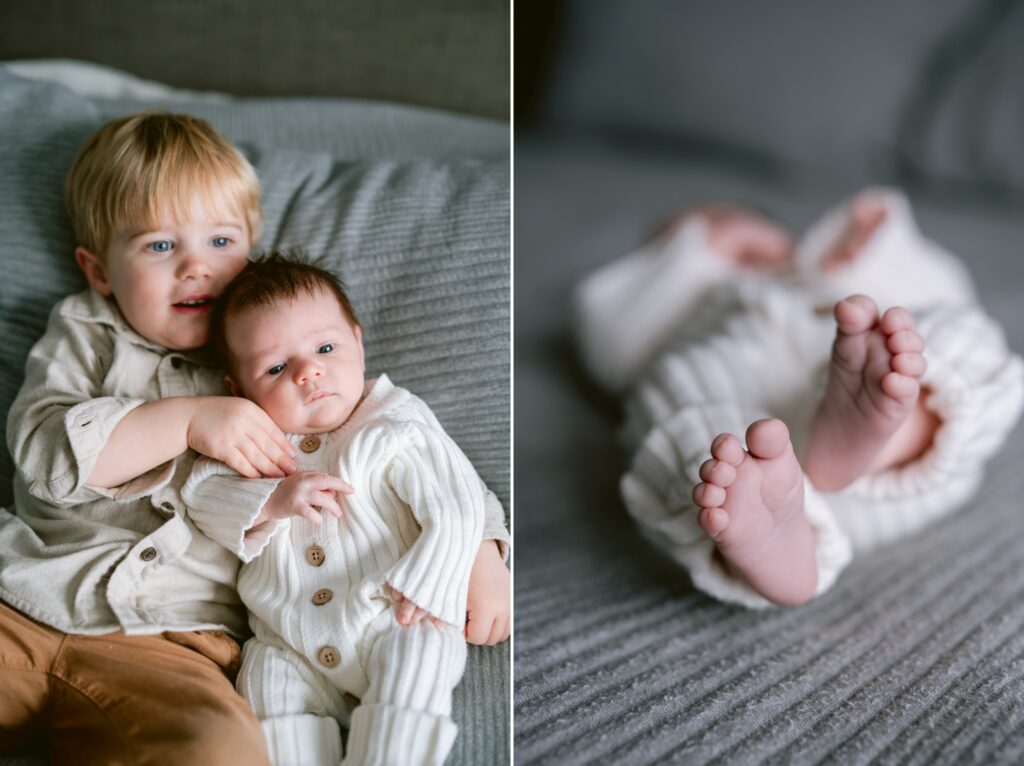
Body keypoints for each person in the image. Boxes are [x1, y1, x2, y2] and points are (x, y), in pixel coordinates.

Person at [0, 111, 509, 763]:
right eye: (160, 246)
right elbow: (45, 457)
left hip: (174, 643)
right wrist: (190, 421)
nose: (196, 268)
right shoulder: (85, 332)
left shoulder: (283, 361)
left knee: (219, 750)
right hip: (29, 591)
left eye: (220, 241)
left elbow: (420, 458)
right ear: (98, 271)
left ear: (252, 242)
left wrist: (482, 553)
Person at [575, 189, 1024, 608]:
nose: (716, 230)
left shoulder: (830, 276)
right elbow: (608, 342)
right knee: (691, 412)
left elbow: (945, 289)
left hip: (918, 463)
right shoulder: (680, 308)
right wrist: (693, 250)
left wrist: (873, 242)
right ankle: (771, 541)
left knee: (954, 336)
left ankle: (892, 435)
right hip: (807, 494)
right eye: (676, 243)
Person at [182, 254, 485, 765]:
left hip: (394, 615)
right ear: (240, 390)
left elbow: (457, 503)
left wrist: (431, 588)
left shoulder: (394, 421)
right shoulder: (251, 438)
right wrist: (270, 500)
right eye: (276, 367)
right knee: (265, 695)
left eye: (325, 347)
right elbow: (202, 496)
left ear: (358, 343)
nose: (309, 371)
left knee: (420, 665)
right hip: (287, 641)